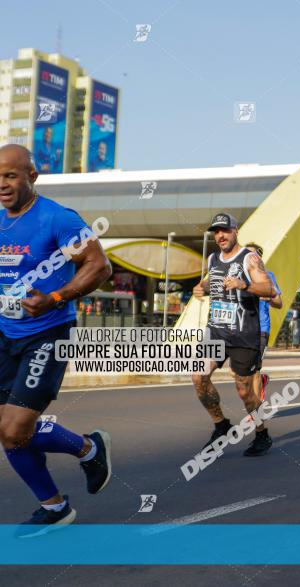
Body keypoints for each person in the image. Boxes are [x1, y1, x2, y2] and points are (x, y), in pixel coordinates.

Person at [0, 144, 113, 536]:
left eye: (11, 175)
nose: (3, 184)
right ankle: (55, 507)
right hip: (5, 334)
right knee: (5, 429)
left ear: (32, 176)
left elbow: (99, 265)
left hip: (47, 334)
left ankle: (89, 448)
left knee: (14, 429)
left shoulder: (58, 219)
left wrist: (55, 297)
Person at [191, 213, 275, 457]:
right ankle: (221, 425)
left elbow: (268, 289)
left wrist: (244, 285)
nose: (220, 236)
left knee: (244, 392)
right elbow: (213, 283)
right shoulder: (213, 258)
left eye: (224, 230)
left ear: (236, 230)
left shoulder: (250, 258)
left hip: (243, 335)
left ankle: (261, 433)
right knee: (198, 376)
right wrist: (202, 288)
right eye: (216, 232)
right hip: (216, 330)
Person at [245, 243, 282, 403]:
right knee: (237, 372)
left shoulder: (268, 276)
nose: (248, 258)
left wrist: (269, 298)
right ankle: (263, 380)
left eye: (252, 255)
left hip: (261, 328)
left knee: (254, 370)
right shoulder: (239, 276)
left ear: (259, 258)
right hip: (242, 328)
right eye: (246, 254)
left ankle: (256, 412)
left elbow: (279, 303)